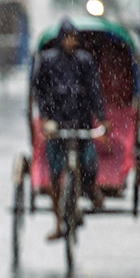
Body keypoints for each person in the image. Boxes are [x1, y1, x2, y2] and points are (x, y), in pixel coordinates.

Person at [31, 18, 108, 239]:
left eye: (74, 37)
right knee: (55, 175)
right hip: (57, 124)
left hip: (80, 123)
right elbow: (41, 92)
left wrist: (101, 119)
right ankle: (58, 223)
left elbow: (94, 92)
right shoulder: (47, 62)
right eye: (68, 37)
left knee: (88, 164)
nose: (71, 41)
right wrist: (45, 118)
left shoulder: (85, 62)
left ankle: (90, 192)